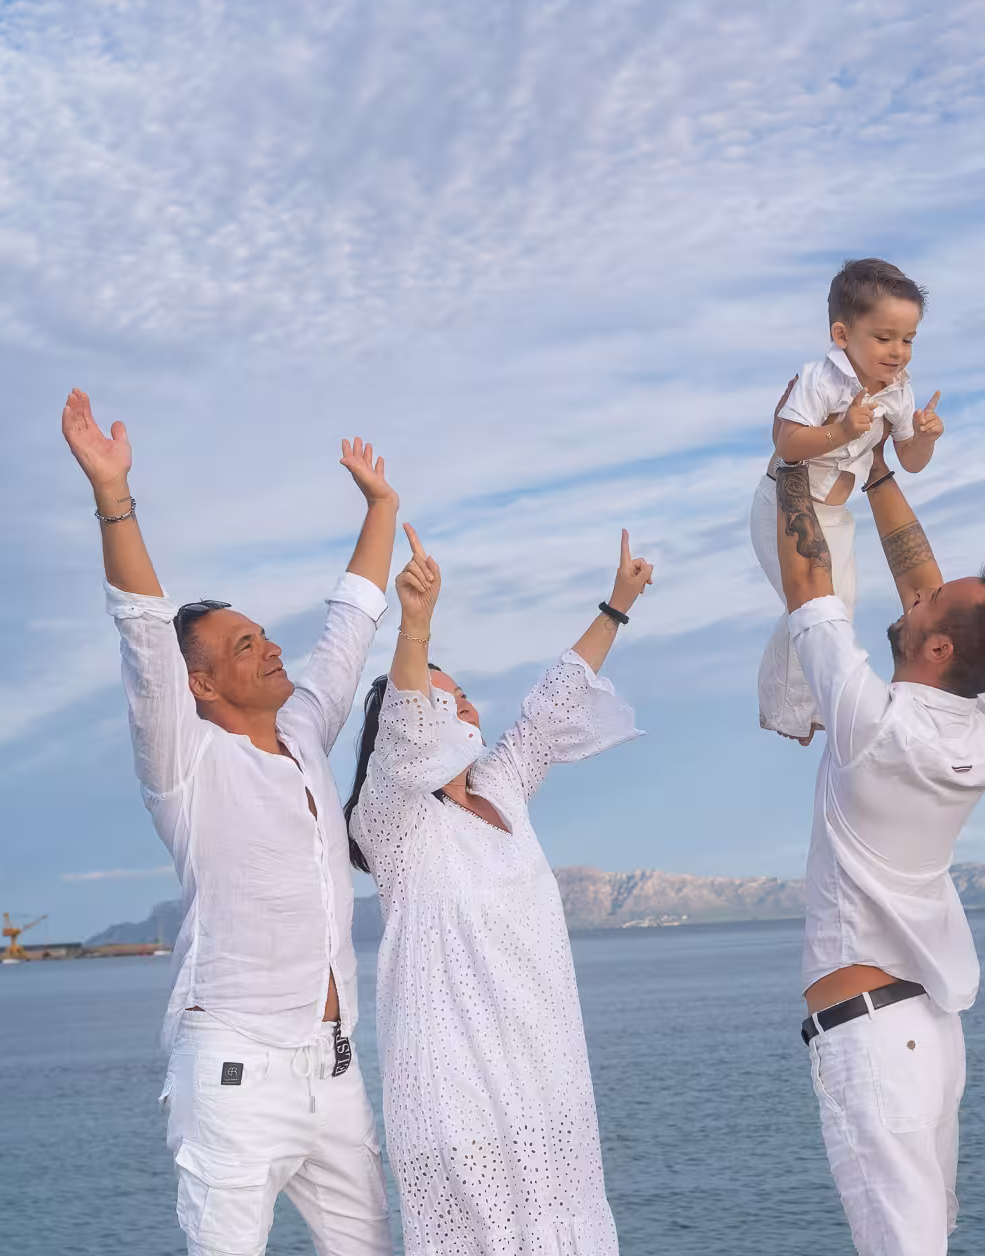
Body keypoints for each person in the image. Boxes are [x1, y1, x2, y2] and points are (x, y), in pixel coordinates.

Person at [61, 388, 398, 1256]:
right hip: (236, 1071)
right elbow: (143, 632)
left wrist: (382, 508)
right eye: (244, 646)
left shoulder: (303, 732)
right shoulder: (185, 762)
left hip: (336, 1070)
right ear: (202, 686)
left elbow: (351, 623)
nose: (269, 647)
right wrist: (114, 496)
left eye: (260, 633)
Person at [344, 524, 653, 1256]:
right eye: (450, 703)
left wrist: (616, 605)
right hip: (458, 1093)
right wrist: (414, 626)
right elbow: (406, 734)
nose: (469, 713)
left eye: (467, 698)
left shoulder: (503, 789)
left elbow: (551, 708)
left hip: (547, 1077)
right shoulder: (391, 822)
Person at [773, 434, 985, 1255]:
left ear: (938, 650)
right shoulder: (976, 729)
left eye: (927, 606)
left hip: (876, 1042)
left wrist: (795, 462)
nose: (913, 597)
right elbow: (926, 584)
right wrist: (881, 470)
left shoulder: (876, 728)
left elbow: (807, 582)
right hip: (927, 1030)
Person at [750, 257, 946, 742]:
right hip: (783, 505)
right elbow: (787, 443)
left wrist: (924, 438)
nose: (898, 352)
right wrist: (840, 429)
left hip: (836, 515)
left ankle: (796, 705)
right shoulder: (820, 379)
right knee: (816, 606)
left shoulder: (899, 392)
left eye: (908, 340)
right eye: (884, 338)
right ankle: (789, 709)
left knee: (842, 607)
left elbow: (907, 460)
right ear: (842, 334)